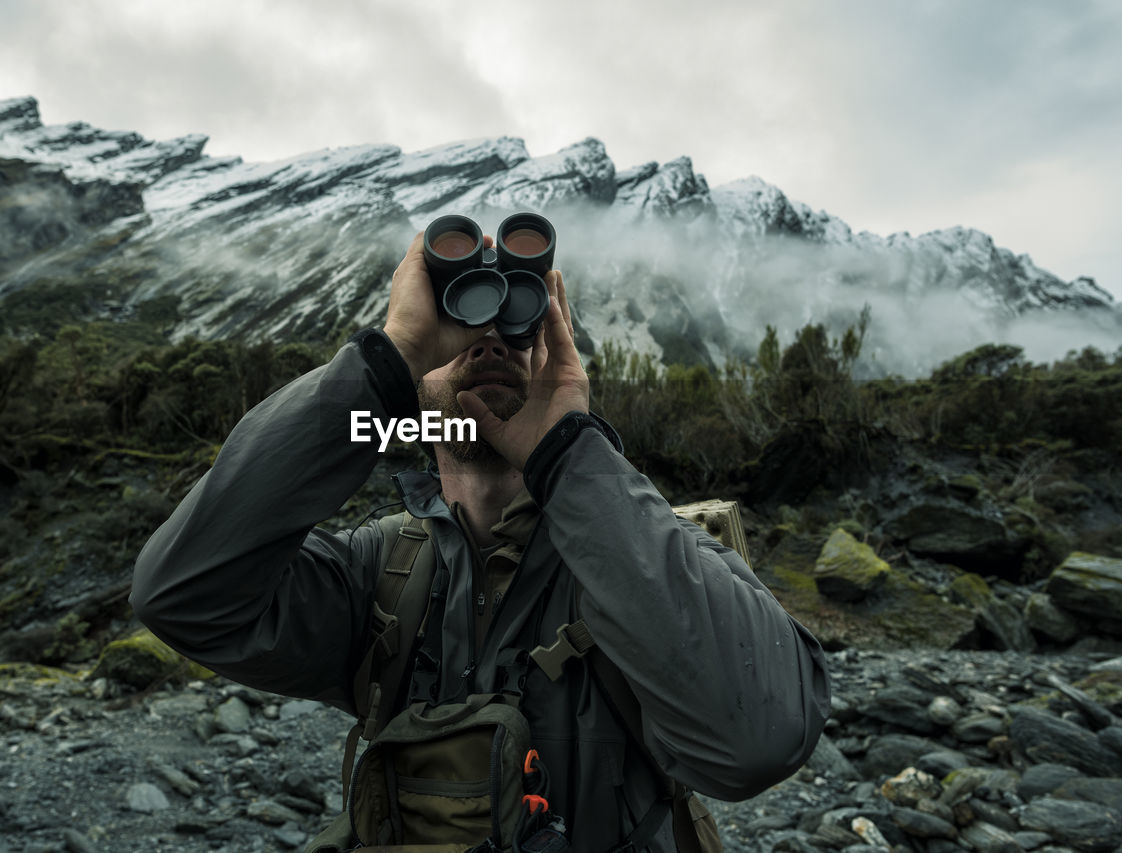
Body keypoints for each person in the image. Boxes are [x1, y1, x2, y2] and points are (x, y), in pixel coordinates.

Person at [130, 228, 831, 851]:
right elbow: (183, 594)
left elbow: (762, 738)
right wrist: (385, 362)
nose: (492, 338)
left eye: (518, 324)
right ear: (412, 391)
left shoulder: (646, 557)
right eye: (461, 321)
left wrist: (568, 455)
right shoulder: (377, 573)